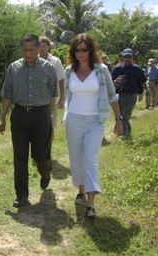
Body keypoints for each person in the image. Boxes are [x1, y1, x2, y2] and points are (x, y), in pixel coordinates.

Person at [64, 34, 123, 219]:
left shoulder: (101, 70)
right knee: (77, 159)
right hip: (73, 120)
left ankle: (91, 204)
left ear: (91, 50)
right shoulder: (69, 71)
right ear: (73, 52)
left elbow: (112, 95)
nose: (81, 53)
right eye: (77, 50)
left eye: (84, 49)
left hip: (95, 121)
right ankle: (80, 192)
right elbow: (67, 95)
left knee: (90, 159)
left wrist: (118, 119)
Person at [0, 34, 57, 208]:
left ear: (39, 49)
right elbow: (7, 94)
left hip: (41, 115)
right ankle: (21, 195)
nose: (28, 53)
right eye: (25, 50)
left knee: (40, 155)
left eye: (32, 49)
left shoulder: (48, 68)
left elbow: (53, 95)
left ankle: (45, 171)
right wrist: (2, 117)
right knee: (20, 157)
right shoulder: (14, 68)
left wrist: (50, 117)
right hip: (20, 116)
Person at [112, 48, 146, 137]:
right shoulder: (117, 69)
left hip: (131, 95)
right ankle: (122, 132)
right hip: (119, 95)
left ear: (132, 57)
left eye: (129, 56)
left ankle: (125, 134)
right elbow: (111, 82)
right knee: (119, 116)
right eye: (125, 56)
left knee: (125, 115)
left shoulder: (137, 69)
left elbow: (142, 81)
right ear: (122, 57)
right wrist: (115, 82)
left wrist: (141, 93)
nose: (127, 59)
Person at [39, 36, 65, 128]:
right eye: (39, 46)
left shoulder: (55, 61)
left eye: (44, 46)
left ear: (48, 47)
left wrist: (62, 97)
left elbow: (61, 79)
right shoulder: (33, 61)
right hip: (37, 95)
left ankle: (49, 141)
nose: (41, 48)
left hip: (51, 96)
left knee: (50, 122)